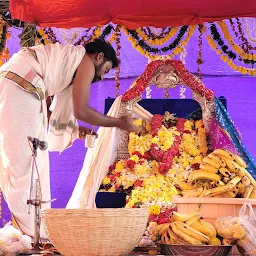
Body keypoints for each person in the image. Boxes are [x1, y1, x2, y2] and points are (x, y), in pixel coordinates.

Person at [0, 39, 138, 237]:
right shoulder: (87, 63)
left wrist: (75, 129)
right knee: (29, 161)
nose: (100, 77)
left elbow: (49, 109)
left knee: (26, 159)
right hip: (21, 86)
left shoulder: (69, 63)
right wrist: (117, 122)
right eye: (105, 70)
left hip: (17, 83)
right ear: (99, 57)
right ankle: (33, 231)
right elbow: (81, 110)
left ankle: (32, 230)